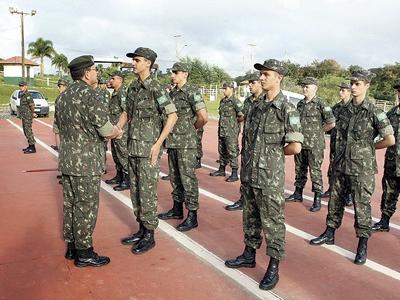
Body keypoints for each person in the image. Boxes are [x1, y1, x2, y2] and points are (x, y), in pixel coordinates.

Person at [225, 59, 303, 290]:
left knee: (273, 223)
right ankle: (249, 254)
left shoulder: (287, 109)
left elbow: (295, 146)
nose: (261, 78)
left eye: (266, 74)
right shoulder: (256, 106)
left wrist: (273, 155)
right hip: (250, 173)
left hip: (270, 177)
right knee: (250, 217)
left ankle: (273, 266)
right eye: (261, 74)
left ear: (278, 78)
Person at [310, 69, 394, 265]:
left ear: (367, 86)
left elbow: (389, 139)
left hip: (361, 169)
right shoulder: (342, 110)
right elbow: (329, 125)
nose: (353, 87)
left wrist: (370, 147)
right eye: (352, 83)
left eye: (358, 84)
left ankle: (362, 245)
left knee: (361, 207)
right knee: (335, 202)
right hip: (340, 165)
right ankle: (329, 233)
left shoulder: (374, 111)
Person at [55, 55, 123, 267]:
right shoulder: (91, 96)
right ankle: (84, 252)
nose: (97, 74)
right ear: (86, 74)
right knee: (86, 206)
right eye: (94, 70)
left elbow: (58, 128)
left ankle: (72, 246)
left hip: (67, 160)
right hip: (86, 162)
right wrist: (117, 132)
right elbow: (104, 129)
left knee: (71, 204)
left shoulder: (62, 97)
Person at [117, 47, 177, 254]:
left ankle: (150, 234)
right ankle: (141, 228)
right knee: (135, 190)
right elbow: (127, 112)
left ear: (148, 64)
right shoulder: (133, 87)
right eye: (133, 60)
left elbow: (172, 115)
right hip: (132, 146)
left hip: (148, 149)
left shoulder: (156, 88)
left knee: (147, 191)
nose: (133, 63)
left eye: (137, 60)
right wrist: (117, 130)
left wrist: (158, 143)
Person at [157, 62, 208, 231]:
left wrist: (191, 128)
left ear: (185, 74)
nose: (173, 75)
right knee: (175, 177)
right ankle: (177, 209)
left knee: (188, 179)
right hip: (172, 142)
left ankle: (192, 215)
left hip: (186, 143)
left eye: (176, 72)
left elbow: (203, 117)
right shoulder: (172, 92)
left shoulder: (192, 91)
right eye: (172, 72)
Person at [286, 77, 336, 212]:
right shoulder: (300, 104)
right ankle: (298, 193)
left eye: (307, 86)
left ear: (315, 88)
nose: (304, 89)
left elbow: (331, 122)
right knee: (299, 169)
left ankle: (317, 199)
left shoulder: (321, 103)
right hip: (301, 142)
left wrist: (319, 131)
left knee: (315, 172)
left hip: (315, 145)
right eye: (304, 86)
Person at [225, 72, 264, 211]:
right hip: (247, 144)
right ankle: (243, 199)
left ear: (260, 83)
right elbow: (243, 116)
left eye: (253, 83)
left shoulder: (265, 101)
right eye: (249, 83)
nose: (250, 86)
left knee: (260, 177)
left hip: (260, 147)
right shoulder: (248, 101)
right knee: (245, 175)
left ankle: (258, 204)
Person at [372, 79, 400, 232]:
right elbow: (378, 131)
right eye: (399, 91)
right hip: (392, 162)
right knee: (388, 193)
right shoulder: (391, 113)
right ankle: (384, 221)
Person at [322, 82, 353, 206]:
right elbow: (329, 122)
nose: (341, 92)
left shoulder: (353, 108)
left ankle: (348, 195)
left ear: (349, 92)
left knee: (347, 170)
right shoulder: (336, 107)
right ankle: (331, 188)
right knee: (333, 167)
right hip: (335, 143)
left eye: (343, 90)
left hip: (347, 145)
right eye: (340, 90)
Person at [209, 82, 244, 182]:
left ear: (231, 89)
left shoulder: (235, 102)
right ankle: (221, 169)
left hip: (231, 131)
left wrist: (234, 125)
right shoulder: (223, 101)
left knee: (232, 151)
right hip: (222, 130)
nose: (223, 90)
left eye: (225, 88)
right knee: (222, 150)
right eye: (223, 89)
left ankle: (234, 173)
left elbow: (242, 116)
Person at [105, 70, 130, 191]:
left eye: (113, 78)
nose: (111, 80)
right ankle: (119, 176)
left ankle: (127, 179)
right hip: (114, 130)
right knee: (116, 154)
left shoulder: (122, 93)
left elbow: (126, 112)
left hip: (121, 131)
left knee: (123, 155)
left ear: (120, 80)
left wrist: (119, 128)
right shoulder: (115, 93)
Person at [18, 81, 37, 154]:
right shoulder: (22, 94)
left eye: (22, 86)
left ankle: (33, 147)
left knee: (28, 131)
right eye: (20, 86)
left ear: (26, 86)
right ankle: (30, 145)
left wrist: (32, 113)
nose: (21, 87)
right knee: (25, 131)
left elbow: (32, 105)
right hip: (24, 116)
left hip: (28, 116)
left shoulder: (27, 95)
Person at [51, 79, 68, 151]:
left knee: (61, 133)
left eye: (59, 86)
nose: (58, 88)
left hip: (63, 120)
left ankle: (61, 148)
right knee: (56, 132)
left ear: (65, 86)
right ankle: (58, 146)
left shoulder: (66, 97)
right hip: (58, 119)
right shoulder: (60, 97)